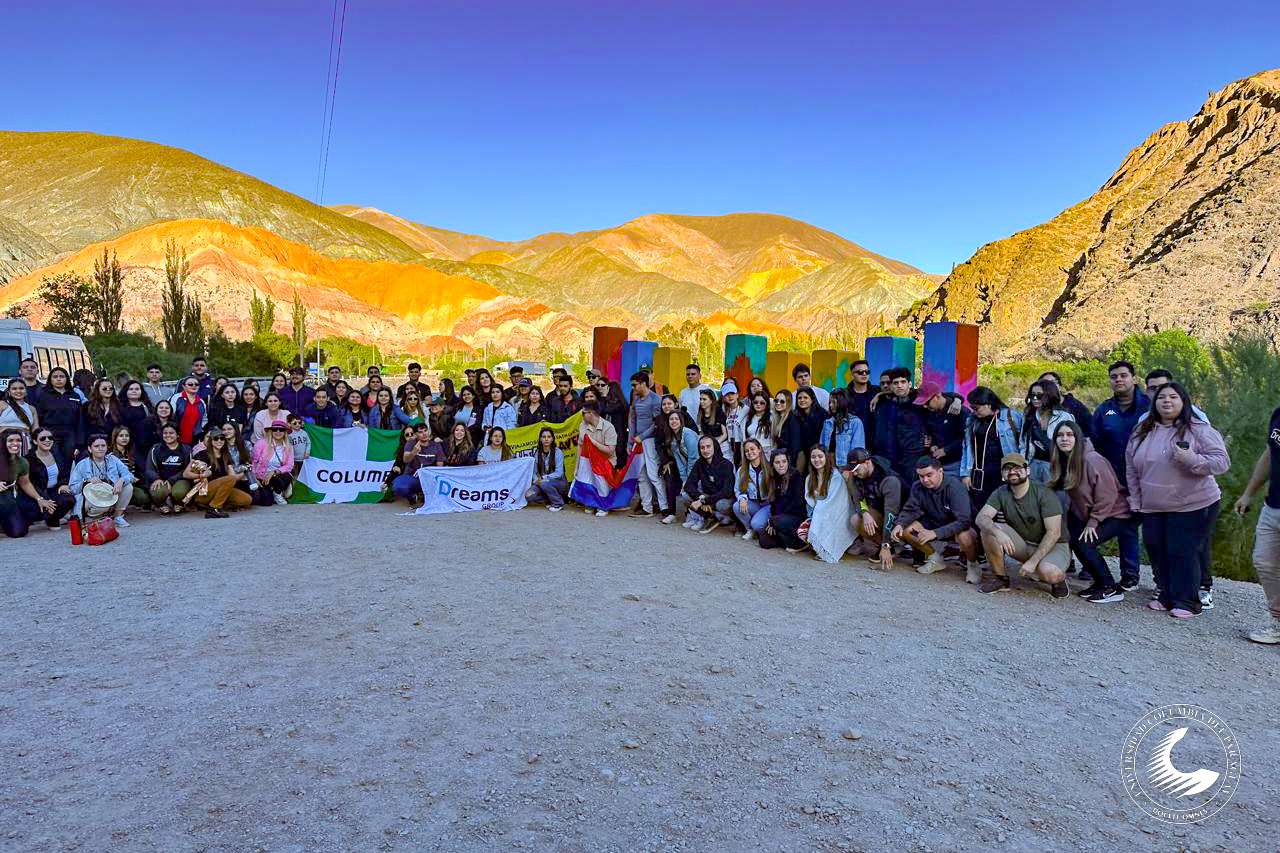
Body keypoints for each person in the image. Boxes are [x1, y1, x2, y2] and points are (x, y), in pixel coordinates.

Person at [1126, 382, 1229, 618]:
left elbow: (1221, 462)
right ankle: (1166, 595)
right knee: (1157, 549)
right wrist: (1136, 499)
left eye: (1173, 397)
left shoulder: (1198, 429)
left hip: (1193, 503)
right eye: (1162, 397)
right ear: (1154, 403)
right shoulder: (1143, 429)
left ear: (1184, 402)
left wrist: (1192, 459)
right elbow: (1131, 467)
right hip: (1153, 504)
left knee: (1182, 551)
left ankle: (1187, 601)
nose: (1167, 401)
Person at [1048, 421, 1131, 603]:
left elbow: (1108, 495)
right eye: (1060, 435)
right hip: (1095, 513)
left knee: (1085, 543)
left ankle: (1110, 588)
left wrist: (1093, 522)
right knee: (1074, 540)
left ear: (1078, 438)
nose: (1064, 439)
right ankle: (1100, 583)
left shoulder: (1092, 459)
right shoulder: (1065, 460)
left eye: (1069, 435)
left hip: (1116, 513)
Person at [974, 453, 1071, 598]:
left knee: (1049, 573)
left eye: (1017, 468)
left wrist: (1033, 562)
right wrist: (998, 533)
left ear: (1027, 470)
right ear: (1002, 474)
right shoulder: (1000, 493)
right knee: (988, 530)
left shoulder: (1044, 493)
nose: (1012, 472)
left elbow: (1054, 533)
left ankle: (1059, 580)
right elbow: (981, 518)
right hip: (1024, 543)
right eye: (1007, 469)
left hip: (1054, 546)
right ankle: (1001, 579)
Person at [1090, 361, 1148, 589]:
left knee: (1134, 527)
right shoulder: (1104, 410)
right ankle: (1092, 566)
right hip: (1111, 478)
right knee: (1106, 520)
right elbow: (1094, 442)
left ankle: (1133, 575)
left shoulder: (1149, 407)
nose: (1118, 380)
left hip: (1144, 478)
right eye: (1114, 376)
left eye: (1123, 375)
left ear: (1134, 378)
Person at [1233, 402, 1280, 643]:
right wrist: (1249, 493)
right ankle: (1279, 622)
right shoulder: (1279, 414)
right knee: (1265, 562)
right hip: (1273, 505)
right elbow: (1270, 453)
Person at [892, 455, 979, 580]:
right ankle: (935, 559)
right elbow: (910, 509)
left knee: (965, 536)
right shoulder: (917, 486)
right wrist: (899, 524)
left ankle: (973, 564)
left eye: (929, 475)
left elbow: (964, 521)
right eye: (921, 476)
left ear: (940, 471)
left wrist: (935, 533)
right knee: (907, 530)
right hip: (933, 522)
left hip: (956, 526)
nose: (925, 480)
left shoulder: (955, 487)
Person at [961, 386, 1022, 517]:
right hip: (979, 471)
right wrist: (965, 474)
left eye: (976, 408)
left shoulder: (1012, 416)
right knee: (980, 508)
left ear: (988, 404)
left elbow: (1023, 444)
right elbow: (967, 448)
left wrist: (1021, 468)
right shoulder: (972, 420)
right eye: (972, 408)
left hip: (1004, 470)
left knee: (1005, 507)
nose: (974, 411)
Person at [848, 448, 907, 570]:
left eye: (857, 469)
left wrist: (886, 545)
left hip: (903, 517)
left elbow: (891, 514)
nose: (854, 473)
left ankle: (916, 551)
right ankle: (890, 548)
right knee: (856, 520)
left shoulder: (889, 479)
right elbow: (859, 499)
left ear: (867, 462)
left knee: (901, 525)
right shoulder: (856, 476)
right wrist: (865, 513)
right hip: (882, 511)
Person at [798, 445, 856, 562]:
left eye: (820, 456)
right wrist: (813, 518)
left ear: (826, 458)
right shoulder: (809, 478)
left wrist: (820, 514)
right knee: (802, 532)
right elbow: (810, 503)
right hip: (818, 515)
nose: (817, 460)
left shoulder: (835, 476)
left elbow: (837, 502)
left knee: (820, 524)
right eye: (813, 457)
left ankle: (831, 549)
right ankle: (819, 548)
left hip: (836, 515)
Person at [183, 428, 253, 518]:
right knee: (230, 479)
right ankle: (214, 508)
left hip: (221, 489)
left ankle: (216, 503)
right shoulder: (202, 454)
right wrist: (201, 475)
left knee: (247, 499)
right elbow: (186, 474)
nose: (219, 441)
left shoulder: (226, 455)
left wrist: (244, 472)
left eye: (222, 438)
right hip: (204, 491)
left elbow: (232, 476)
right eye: (216, 438)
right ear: (211, 441)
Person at [69, 433, 134, 525]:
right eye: (96, 446)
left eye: (103, 446)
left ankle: (117, 516)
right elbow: (72, 488)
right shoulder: (82, 465)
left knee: (128, 486)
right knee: (100, 504)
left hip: (110, 493)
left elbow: (129, 475)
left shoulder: (113, 459)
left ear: (107, 447)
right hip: (92, 499)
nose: (100, 448)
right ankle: (95, 518)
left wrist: (121, 480)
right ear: (90, 449)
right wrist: (87, 481)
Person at [872, 367, 925, 479]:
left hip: (914, 457)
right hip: (891, 458)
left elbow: (941, 396)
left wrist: (957, 399)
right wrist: (879, 395)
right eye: (895, 383)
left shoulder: (920, 400)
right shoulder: (886, 403)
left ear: (909, 384)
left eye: (903, 382)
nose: (899, 385)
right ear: (891, 386)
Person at [627, 371, 666, 519]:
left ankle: (664, 507)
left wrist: (642, 437)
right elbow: (633, 420)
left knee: (654, 475)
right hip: (638, 442)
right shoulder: (636, 399)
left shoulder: (656, 399)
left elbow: (657, 424)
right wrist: (630, 441)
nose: (633, 388)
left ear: (643, 383)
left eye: (635, 385)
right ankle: (647, 507)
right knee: (641, 476)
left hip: (650, 441)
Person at [1020, 379, 1074, 482]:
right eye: (1032, 395)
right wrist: (1023, 464)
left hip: (1056, 466)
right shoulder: (1029, 416)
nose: (1035, 398)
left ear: (1050, 395)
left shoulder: (1064, 416)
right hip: (1033, 465)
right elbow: (1023, 443)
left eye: (1039, 395)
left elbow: (1072, 444)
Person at [20, 427, 75, 528]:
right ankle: (44, 516)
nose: (47, 440)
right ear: (35, 441)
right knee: (40, 508)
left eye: (50, 438)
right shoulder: (29, 459)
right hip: (37, 493)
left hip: (53, 490)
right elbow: (31, 483)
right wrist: (44, 498)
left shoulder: (58, 454)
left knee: (69, 499)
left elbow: (64, 474)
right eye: (42, 438)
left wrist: (63, 484)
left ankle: (52, 519)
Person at [0, 430, 51, 537]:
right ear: (3, 442)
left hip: (8, 497)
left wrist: (39, 499)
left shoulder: (22, 462)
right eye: (10, 440)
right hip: (4, 498)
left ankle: (7, 522)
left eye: (18, 440)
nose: (15, 443)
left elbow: (25, 483)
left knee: (20, 531)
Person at [681, 435, 735, 533]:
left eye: (708, 446)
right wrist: (700, 498)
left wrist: (704, 501)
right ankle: (708, 516)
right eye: (702, 448)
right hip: (707, 496)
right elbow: (689, 485)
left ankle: (728, 519)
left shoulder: (726, 465)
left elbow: (727, 491)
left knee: (721, 505)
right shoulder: (699, 463)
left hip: (723, 498)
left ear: (715, 447)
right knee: (685, 496)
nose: (705, 450)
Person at [757, 450, 807, 552]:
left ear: (788, 462)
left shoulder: (796, 476)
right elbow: (773, 504)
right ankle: (788, 540)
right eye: (777, 462)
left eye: (784, 461)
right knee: (764, 540)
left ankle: (799, 543)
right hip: (780, 520)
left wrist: (774, 521)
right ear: (773, 465)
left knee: (775, 522)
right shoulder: (773, 478)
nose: (781, 465)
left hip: (795, 518)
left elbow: (797, 504)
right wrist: (774, 522)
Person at [659, 409, 700, 524]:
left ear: (681, 421)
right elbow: (679, 462)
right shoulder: (671, 438)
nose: (673, 421)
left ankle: (700, 518)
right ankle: (692, 516)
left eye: (676, 419)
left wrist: (689, 479)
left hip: (699, 466)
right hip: (689, 468)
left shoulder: (687, 433)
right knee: (685, 490)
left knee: (694, 490)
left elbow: (693, 458)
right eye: (671, 419)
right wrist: (684, 479)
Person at [917, 383, 966, 477]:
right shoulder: (928, 412)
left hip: (956, 464)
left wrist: (946, 450)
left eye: (926, 402)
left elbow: (967, 440)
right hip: (935, 463)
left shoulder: (961, 412)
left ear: (937, 396)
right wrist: (932, 445)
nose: (925, 406)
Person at [391, 422, 445, 505]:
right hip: (413, 478)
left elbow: (439, 468)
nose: (424, 434)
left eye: (425, 431)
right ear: (416, 435)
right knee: (397, 485)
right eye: (420, 432)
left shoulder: (436, 446)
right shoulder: (411, 443)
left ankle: (424, 495)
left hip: (429, 479)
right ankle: (412, 497)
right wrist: (413, 452)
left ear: (429, 431)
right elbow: (405, 460)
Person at [37, 367, 83, 462]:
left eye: (62, 377)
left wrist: (79, 443)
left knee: (67, 463)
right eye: (55, 377)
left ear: (67, 379)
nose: (58, 379)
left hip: (70, 435)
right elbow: (38, 417)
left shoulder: (74, 395)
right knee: (54, 462)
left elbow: (80, 420)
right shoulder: (43, 395)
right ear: (50, 379)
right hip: (50, 434)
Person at [145, 423, 192, 514]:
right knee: (158, 492)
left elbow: (188, 470)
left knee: (179, 492)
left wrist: (172, 480)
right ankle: (162, 504)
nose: (168, 435)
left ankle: (178, 503)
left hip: (180, 479)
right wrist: (156, 478)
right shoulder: (156, 448)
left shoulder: (186, 449)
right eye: (165, 433)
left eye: (171, 433)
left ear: (178, 435)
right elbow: (149, 468)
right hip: (161, 479)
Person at [732, 438, 773, 539]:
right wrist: (742, 499)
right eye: (746, 451)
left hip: (767, 505)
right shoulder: (742, 470)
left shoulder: (770, 467)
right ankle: (749, 529)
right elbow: (737, 489)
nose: (750, 452)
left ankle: (759, 525)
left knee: (757, 524)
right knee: (737, 506)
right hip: (753, 504)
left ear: (759, 449)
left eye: (752, 449)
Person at [818, 388, 866, 471]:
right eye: (830, 402)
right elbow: (821, 447)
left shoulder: (855, 422)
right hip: (828, 466)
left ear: (842, 403)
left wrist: (850, 470)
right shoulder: (827, 423)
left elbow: (857, 452)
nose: (830, 405)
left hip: (845, 467)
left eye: (834, 402)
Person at [785, 387, 828, 473]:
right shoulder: (795, 416)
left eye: (805, 397)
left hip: (818, 454)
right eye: (799, 398)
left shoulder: (822, 414)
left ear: (812, 399)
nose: (802, 400)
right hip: (801, 455)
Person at [1039, 371, 1093, 438]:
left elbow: (1090, 430)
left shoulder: (1074, 406)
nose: (1050, 386)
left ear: (1060, 386)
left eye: (1053, 382)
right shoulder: (1039, 408)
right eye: (1045, 384)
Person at [526, 426, 568, 511]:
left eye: (549, 437)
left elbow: (559, 473)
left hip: (559, 483)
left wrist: (543, 478)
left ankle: (558, 503)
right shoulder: (537, 453)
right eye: (544, 437)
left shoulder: (558, 452)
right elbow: (534, 472)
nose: (546, 439)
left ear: (552, 439)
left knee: (544, 483)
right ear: (540, 439)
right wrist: (536, 480)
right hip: (542, 482)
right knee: (529, 495)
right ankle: (550, 500)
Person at [109, 426, 150, 508]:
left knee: (143, 498)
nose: (124, 438)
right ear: (115, 437)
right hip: (114, 484)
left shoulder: (132, 452)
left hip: (131, 483)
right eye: (121, 436)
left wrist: (137, 479)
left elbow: (142, 468)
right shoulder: (109, 453)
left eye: (127, 436)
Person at [845, 360, 877, 450]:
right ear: (852, 374)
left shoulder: (876, 391)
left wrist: (879, 395)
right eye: (860, 372)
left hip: (874, 442)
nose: (864, 374)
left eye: (867, 372)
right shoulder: (845, 395)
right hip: (851, 442)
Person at [0, 379, 40, 454]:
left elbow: (36, 430)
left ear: (26, 391)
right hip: (3, 440)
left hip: (24, 442)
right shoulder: (2, 404)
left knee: (23, 461)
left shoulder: (32, 409)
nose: (18, 391)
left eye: (21, 388)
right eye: (14, 389)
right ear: (9, 392)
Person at [173, 376, 207, 445]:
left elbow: (204, 419)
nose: (194, 386)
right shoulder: (176, 398)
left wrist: (199, 431)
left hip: (194, 439)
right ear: (184, 386)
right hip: (176, 438)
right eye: (190, 384)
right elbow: (170, 415)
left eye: (196, 384)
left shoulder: (201, 402)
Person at [697, 389, 730, 460]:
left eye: (704, 399)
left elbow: (725, 434)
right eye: (700, 399)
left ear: (711, 401)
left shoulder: (718, 412)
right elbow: (701, 433)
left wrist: (714, 444)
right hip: (709, 447)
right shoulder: (700, 414)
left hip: (722, 446)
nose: (701, 401)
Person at [721, 380, 747, 463]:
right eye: (726, 394)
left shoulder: (745, 408)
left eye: (732, 393)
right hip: (731, 443)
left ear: (737, 395)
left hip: (742, 443)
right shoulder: (724, 410)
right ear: (724, 398)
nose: (730, 396)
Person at [770, 391, 794, 460]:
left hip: (789, 459)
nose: (778, 403)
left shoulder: (792, 418)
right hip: (781, 458)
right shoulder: (778, 417)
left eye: (782, 401)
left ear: (788, 403)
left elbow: (794, 446)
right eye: (776, 400)